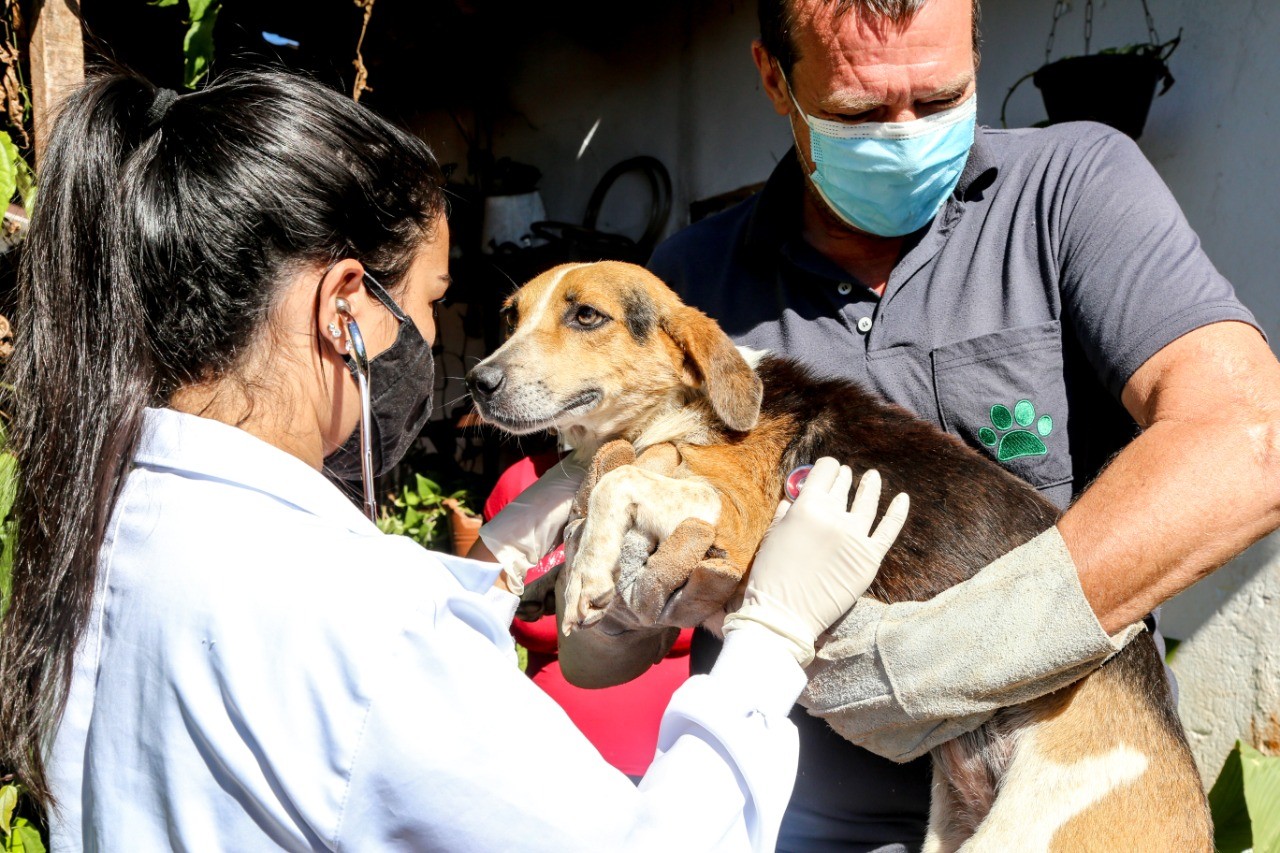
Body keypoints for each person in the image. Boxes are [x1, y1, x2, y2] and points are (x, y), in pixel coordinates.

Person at [0, 67, 913, 852]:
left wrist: (482, 574)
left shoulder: (108, 529)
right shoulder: (363, 619)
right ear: (345, 307)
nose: (450, 350)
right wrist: (769, 643)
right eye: (435, 299)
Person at [506, 0, 1278, 850]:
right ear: (774, 79)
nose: (906, 133)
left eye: (941, 97)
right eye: (860, 112)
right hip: (791, 822)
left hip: (1058, 790)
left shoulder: (1074, 186)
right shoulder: (693, 284)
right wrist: (619, 613)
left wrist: (936, 662)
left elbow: (1250, 438)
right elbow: (596, 656)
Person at [482, 451, 696, 781]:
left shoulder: (698, 483)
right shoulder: (523, 481)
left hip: (675, 768)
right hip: (542, 762)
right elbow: (471, 618)